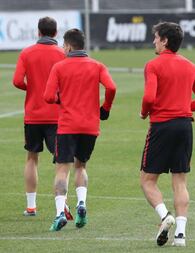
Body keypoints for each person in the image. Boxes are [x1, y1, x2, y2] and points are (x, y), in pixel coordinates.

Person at [139, 22, 195, 247]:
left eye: (156, 37)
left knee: (147, 181)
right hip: (184, 126)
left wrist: (143, 112)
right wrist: (184, 107)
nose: (154, 41)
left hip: (161, 126)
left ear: (165, 41)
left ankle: (164, 216)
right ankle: (180, 234)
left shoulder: (153, 65)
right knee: (180, 181)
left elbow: (150, 98)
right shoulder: (190, 66)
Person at [44, 28, 116, 231]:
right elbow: (111, 87)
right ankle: (81, 203)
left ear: (67, 46)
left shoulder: (59, 67)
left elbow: (48, 97)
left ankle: (59, 213)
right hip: (90, 125)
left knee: (62, 169)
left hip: (67, 125)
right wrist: (105, 108)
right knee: (81, 166)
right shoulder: (97, 66)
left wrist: (62, 98)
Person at [12, 16, 73, 219]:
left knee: (32, 158)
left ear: (38, 32)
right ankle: (61, 204)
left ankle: (31, 206)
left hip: (33, 114)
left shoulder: (27, 52)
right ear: (56, 33)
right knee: (61, 163)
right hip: (57, 115)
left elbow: (17, 81)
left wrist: (33, 89)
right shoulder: (62, 54)